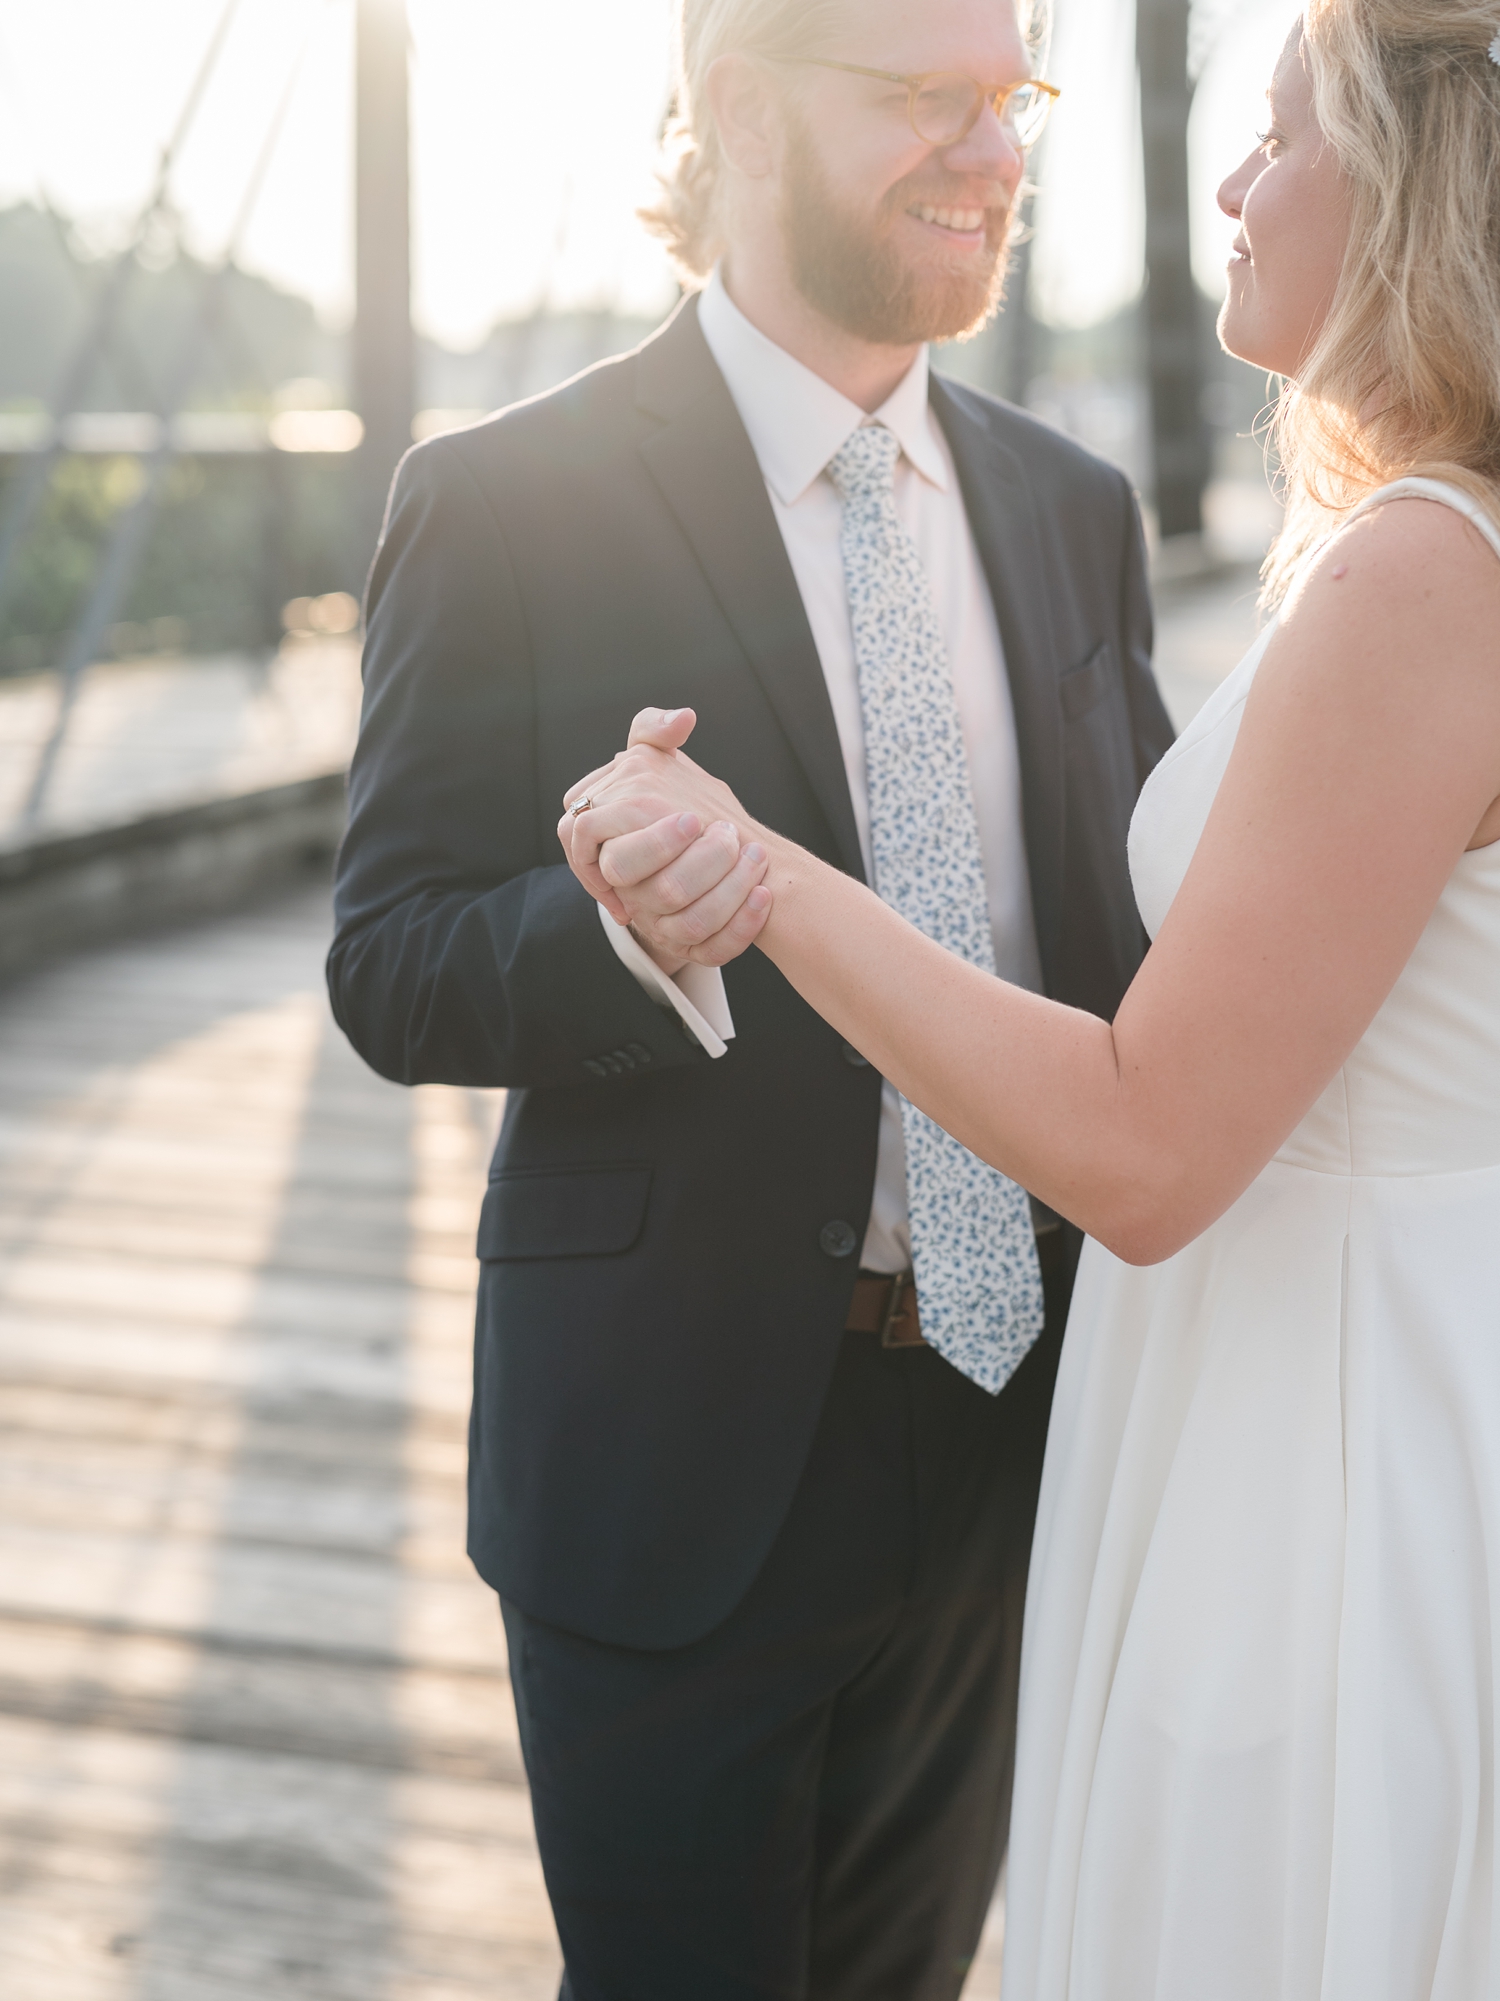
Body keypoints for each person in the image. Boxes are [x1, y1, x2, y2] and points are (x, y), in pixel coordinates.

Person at [560, 1, 1500, 1991]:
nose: (1227, 188)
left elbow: (1151, 1142)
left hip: (1316, 1434)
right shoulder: (1426, 550)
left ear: (1419, 186)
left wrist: (766, 875)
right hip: (1319, 1364)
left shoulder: (1427, 574)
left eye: (1278, 139)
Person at [327, 0, 1173, 1991]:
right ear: (738, 110)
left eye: (1016, 98)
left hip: (1004, 1428)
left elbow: (1125, 945)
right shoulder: (505, 496)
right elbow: (388, 961)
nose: (992, 149)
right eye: (925, 100)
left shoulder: (1074, 511)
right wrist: (621, 928)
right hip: (670, 1457)